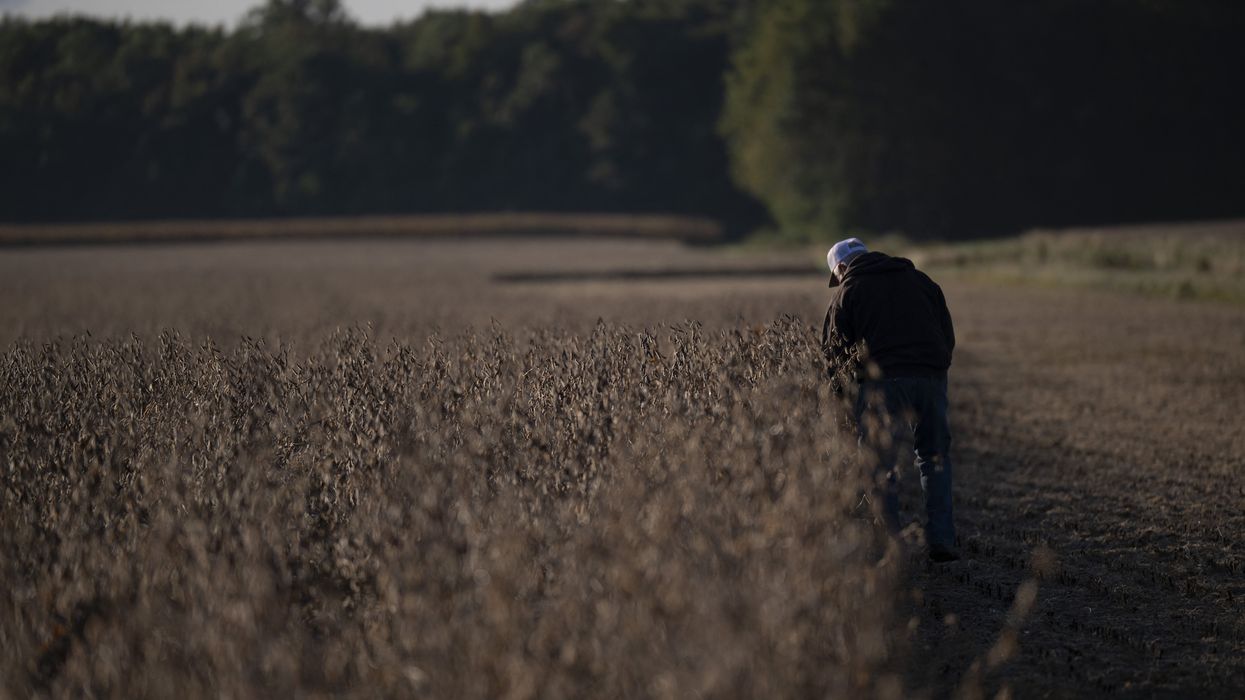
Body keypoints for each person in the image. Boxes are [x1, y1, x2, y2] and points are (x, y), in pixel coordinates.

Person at [820, 237, 959, 562]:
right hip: (931, 377)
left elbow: (834, 356)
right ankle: (942, 538)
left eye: (836, 275)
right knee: (935, 457)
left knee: (880, 463)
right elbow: (946, 335)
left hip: (883, 383)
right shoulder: (921, 281)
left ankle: (890, 544)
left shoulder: (848, 292)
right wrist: (934, 370)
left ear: (842, 267)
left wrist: (841, 402)